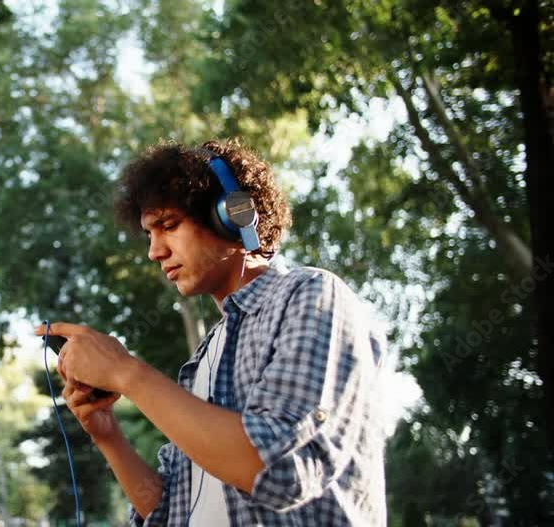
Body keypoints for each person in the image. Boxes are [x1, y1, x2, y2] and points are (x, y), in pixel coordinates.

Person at [35, 139, 388, 525]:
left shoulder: (312, 295)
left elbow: (278, 470)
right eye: (149, 234)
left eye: (168, 226)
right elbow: (168, 508)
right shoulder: (204, 358)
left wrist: (125, 372)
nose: (154, 251)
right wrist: (108, 436)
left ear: (233, 215)